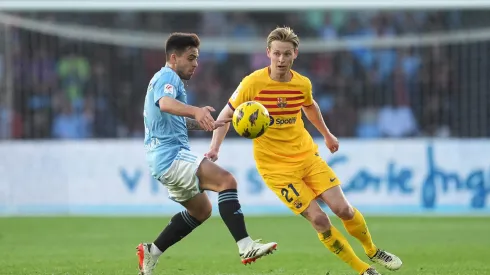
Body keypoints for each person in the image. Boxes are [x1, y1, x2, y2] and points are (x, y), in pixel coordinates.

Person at [206, 27, 402, 275]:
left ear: (294, 54)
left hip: (307, 157)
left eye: (286, 54)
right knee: (320, 220)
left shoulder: (301, 83)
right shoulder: (252, 83)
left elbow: (309, 106)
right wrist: (214, 148)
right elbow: (226, 115)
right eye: (276, 53)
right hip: (276, 169)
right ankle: (363, 270)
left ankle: (372, 250)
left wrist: (327, 134)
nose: (281, 59)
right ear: (268, 53)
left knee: (344, 210)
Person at [137, 32, 277, 275]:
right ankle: (246, 246)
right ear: (173, 57)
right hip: (170, 156)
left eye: (197, 58)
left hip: (163, 159)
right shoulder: (167, 76)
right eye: (191, 58)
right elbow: (165, 104)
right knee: (227, 181)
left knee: (201, 211)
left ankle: (152, 251)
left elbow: (170, 118)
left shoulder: (168, 81)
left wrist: (208, 123)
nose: (195, 64)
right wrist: (196, 111)